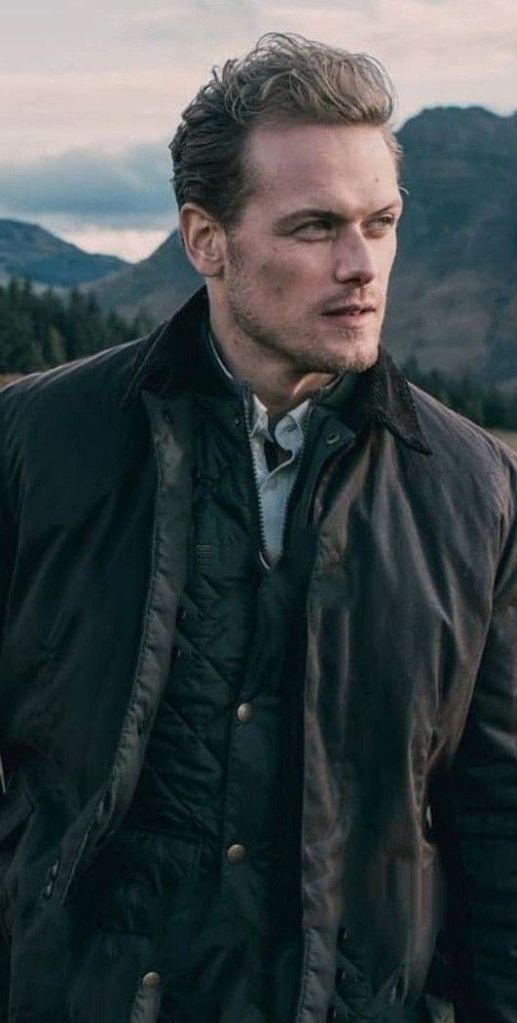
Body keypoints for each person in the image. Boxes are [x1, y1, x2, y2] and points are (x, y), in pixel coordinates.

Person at [0, 31, 516, 1023]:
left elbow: (498, 817)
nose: (360, 266)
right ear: (206, 240)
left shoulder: (475, 489)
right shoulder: (37, 444)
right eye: (315, 227)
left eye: (380, 223)